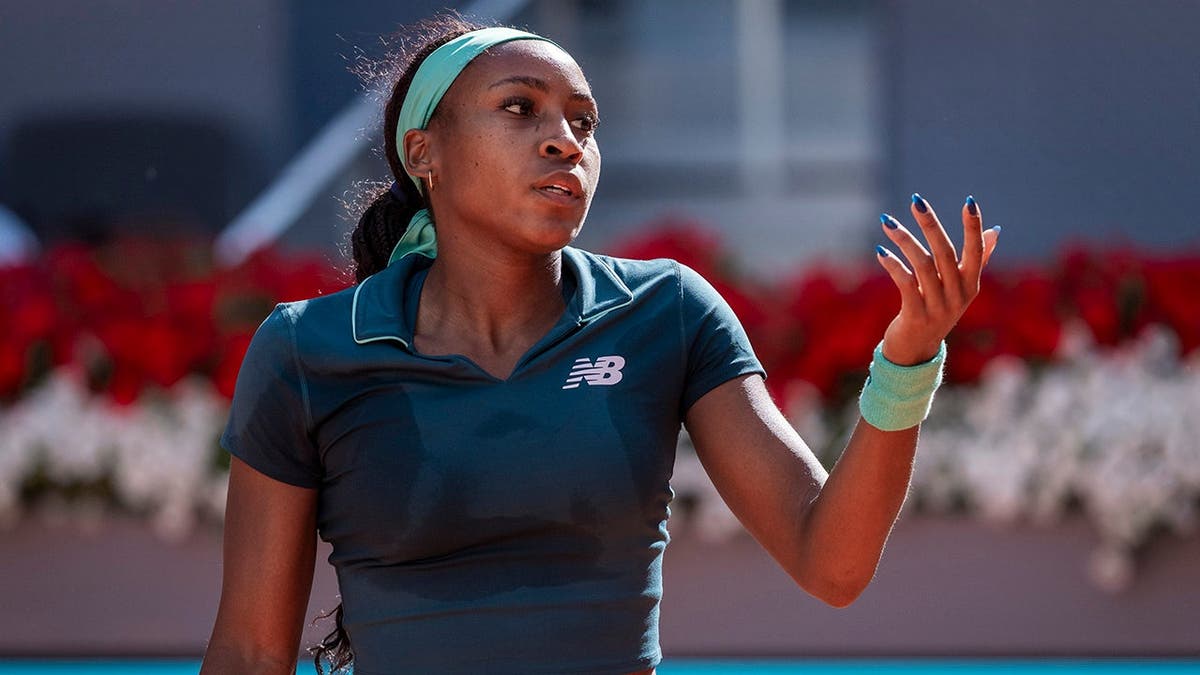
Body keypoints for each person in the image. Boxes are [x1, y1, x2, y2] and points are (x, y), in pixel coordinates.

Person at [200, 12, 1000, 675]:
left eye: (584, 122)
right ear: (424, 153)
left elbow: (832, 562)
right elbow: (248, 651)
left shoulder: (668, 312)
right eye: (521, 109)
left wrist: (906, 360)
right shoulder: (308, 350)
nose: (565, 141)